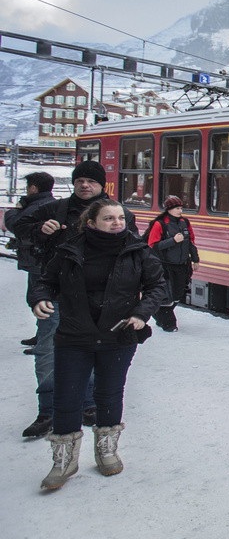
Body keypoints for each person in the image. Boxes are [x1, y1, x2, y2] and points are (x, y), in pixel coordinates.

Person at [32, 198, 167, 490]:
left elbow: (157, 286)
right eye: (109, 218)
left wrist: (141, 314)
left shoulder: (138, 251)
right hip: (74, 336)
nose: (117, 223)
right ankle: (63, 461)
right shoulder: (69, 250)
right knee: (66, 397)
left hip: (118, 335)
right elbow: (46, 280)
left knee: (108, 394)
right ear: (91, 223)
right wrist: (40, 297)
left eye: (120, 217)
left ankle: (107, 451)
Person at [14, 160, 138, 436]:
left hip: (102, 298)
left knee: (95, 350)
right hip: (59, 293)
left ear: (101, 185)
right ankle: (47, 410)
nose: (85, 185)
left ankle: (88, 404)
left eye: (91, 181)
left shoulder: (119, 213)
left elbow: (136, 250)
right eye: (80, 180)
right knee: (48, 349)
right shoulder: (55, 208)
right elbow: (16, 222)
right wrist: (39, 229)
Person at [5, 171, 57, 437]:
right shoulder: (56, 208)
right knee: (48, 343)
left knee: (51, 346)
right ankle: (49, 411)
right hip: (54, 284)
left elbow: (13, 223)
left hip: (69, 289)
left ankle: (78, 406)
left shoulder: (39, 207)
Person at [144, 195, 201, 331]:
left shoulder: (185, 223)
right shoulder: (160, 224)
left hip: (182, 265)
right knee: (167, 295)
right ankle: (169, 324)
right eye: (177, 208)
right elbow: (153, 246)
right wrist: (173, 241)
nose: (180, 211)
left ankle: (158, 313)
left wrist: (195, 259)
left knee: (178, 294)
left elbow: (190, 243)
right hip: (165, 266)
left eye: (181, 208)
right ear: (168, 209)